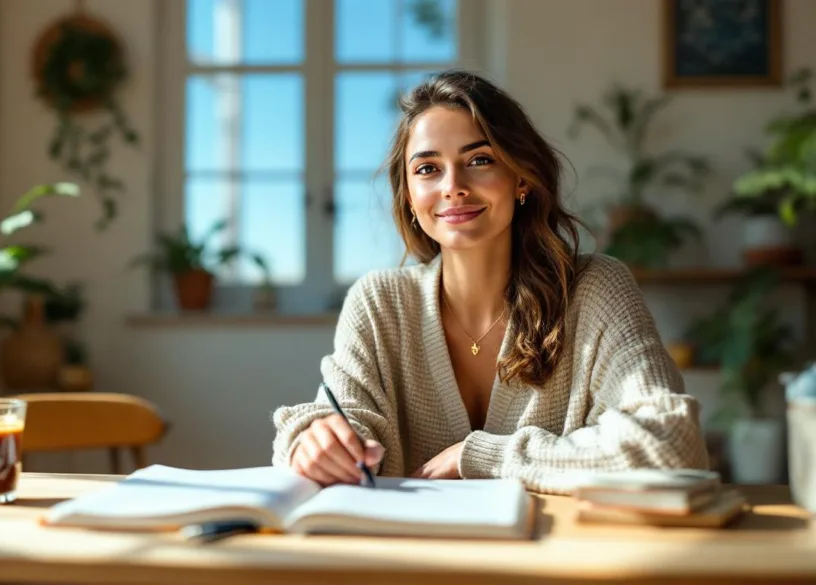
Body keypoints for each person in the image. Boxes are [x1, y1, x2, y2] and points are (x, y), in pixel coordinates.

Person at [270, 69, 709, 495]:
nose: (453, 186)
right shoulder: (378, 302)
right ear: (408, 195)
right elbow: (346, 423)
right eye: (427, 169)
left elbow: (672, 444)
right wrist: (315, 441)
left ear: (521, 177)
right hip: (412, 563)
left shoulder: (596, 289)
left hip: (556, 562)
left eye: (479, 160)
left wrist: (486, 457)